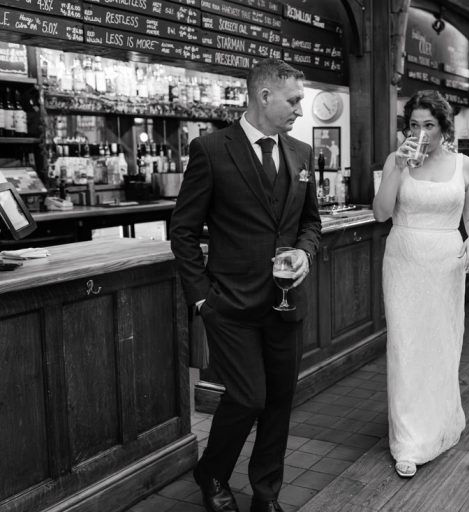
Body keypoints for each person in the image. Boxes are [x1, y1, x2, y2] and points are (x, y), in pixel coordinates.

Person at [170, 59, 321, 512]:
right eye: (293, 100)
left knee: (279, 401)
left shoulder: (301, 153)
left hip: (286, 302)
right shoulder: (212, 149)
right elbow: (183, 231)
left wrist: (305, 254)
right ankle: (212, 473)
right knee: (249, 396)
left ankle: (266, 494)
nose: (299, 108)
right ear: (264, 96)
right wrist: (202, 299)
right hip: (230, 305)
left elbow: (310, 224)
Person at [372, 90, 469, 479]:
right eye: (414, 125)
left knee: (442, 342)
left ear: (444, 127)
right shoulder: (396, 161)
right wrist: (398, 169)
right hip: (404, 259)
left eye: (429, 125)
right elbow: (381, 213)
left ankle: (440, 422)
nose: (421, 132)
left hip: (445, 264)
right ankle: (407, 440)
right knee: (405, 345)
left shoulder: (463, 165)